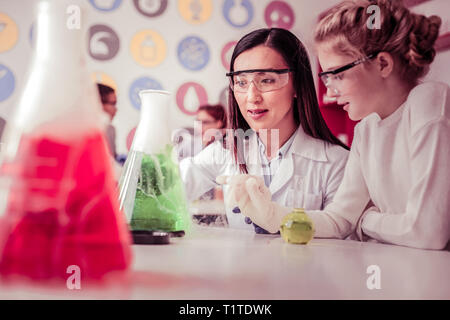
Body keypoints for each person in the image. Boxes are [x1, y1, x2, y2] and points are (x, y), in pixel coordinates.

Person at [222, 0, 450, 249]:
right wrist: (274, 215)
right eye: (325, 76)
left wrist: (365, 221)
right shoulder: (367, 130)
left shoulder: (429, 102)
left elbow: (428, 232)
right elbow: (340, 220)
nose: (329, 88)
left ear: (383, 64)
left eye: (337, 74)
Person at [180, 28, 349, 233]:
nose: (252, 97)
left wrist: (276, 217)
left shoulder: (336, 162)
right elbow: (172, 186)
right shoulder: (227, 149)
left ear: (297, 85)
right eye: (241, 82)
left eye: (267, 80)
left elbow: (344, 235)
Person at [97, 83, 122, 164]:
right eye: (113, 103)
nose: (116, 109)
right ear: (99, 103)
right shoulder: (80, 132)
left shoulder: (110, 130)